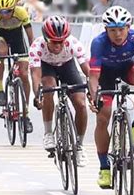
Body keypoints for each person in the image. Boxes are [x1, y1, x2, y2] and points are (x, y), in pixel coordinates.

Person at [88, 6, 134, 188]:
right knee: (103, 118)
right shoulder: (98, 43)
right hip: (105, 75)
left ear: (128, 27)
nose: (117, 34)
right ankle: (104, 169)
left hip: (127, 68)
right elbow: (93, 76)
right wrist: (94, 97)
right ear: (106, 30)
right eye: (112, 30)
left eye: (121, 29)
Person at [30, 16, 90, 166]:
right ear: (45, 38)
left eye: (61, 41)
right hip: (46, 67)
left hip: (67, 66)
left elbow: (87, 70)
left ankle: (79, 146)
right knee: (48, 87)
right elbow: (36, 74)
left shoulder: (73, 43)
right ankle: (48, 133)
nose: (58, 45)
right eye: (54, 41)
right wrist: (38, 95)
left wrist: (95, 88)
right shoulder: (37, 46)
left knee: (81, 104)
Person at [0, 0, 34, 133]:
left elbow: (31, 38)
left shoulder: (21, 13)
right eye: (1, 11)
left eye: (7, 11)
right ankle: (0, 89)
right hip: (1, 37)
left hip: (17, 38)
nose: (4, 15)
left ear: (13, 8)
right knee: (0, 54)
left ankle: (25, 115)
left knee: (24, 75)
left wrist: (32, 55)